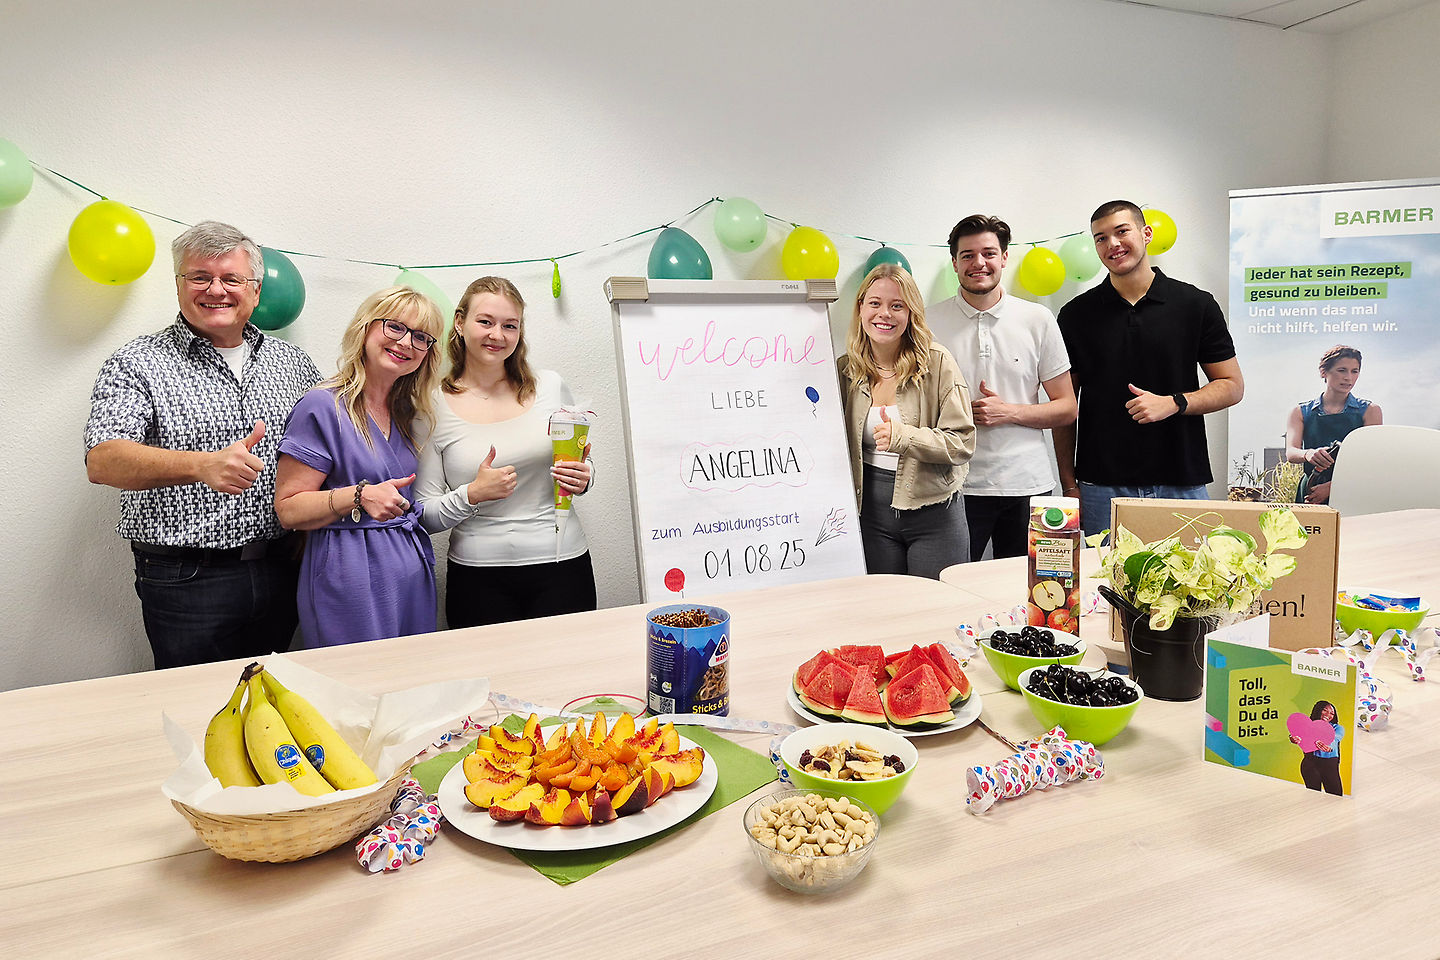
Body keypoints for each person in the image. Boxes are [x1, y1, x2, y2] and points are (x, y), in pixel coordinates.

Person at [84, 221, 320, 669]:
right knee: (196, 703)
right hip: (185, 579)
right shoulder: (137, 362)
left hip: (283, 568)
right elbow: (103, 460)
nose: (216, 290)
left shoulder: (294, 363)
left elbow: (324, 451)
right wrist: (201, 465)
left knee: (274, 698)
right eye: (199, 277)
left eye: (231, 278)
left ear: (255, 291)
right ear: (179, 285)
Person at [1052, 200, 1244, 538]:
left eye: (1121, 231)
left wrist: (1174, 402)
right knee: (1106, 574)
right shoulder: (1075, 315)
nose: (1112, 244)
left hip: (1182, 481)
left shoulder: (1195, 304)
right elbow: (1065, 407)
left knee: (1191, 573)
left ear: (1146, 234)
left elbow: (1231, 385)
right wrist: (1069, 484)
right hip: (1101, 488)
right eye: (1101, 238)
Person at [413, 276, 597, 627]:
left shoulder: (550, 387)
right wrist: (471, 494)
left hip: (562, 566)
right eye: (485, 321)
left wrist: (585, 478)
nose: (497, 335)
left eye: (509, 325)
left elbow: (581, 461)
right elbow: (423, 514)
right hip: (477, 577)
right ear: (460, 323)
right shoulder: (431, 405)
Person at [273, 286, 445, 647]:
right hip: (349, 579)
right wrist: (359, 496)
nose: (406, 342)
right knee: (353, 679)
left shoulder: (407, 413)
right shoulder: (322, 406)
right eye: (394, 327)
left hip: (410, 579)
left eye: (421, 337)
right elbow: (288, 509)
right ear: (365, 328)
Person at [927, 214, 1077, 560]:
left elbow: (1067, 407)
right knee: (954, 581)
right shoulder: (927, 322)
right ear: (954, 263)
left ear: (1004, 257)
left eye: (989, 253)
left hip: (1028, 483)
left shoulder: (1037, 319)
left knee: (1031, 586)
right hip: (955, 485)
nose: (979, 263)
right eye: (967, 255)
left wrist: (1008, 412)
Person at [839, 263, 976, 579]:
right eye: (875, 303)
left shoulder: (937, 362)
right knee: (887, 605)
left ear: (911, 312)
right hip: (870, 517)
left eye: (897, 306)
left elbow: (962, 443)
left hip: (935, 516)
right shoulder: (846, 369)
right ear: (861, 309)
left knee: (937, 605)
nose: (884, 314)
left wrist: (904, 437)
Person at [1285, 345, 1381, 505]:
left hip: (1352, 490)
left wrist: (1332, 487)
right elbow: (1291, 452)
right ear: (1323, 372)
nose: (1348, 378)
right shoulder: (1300, 412)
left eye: (1354, 371)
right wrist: (1308, 454)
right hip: (1311, 490)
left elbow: (1371, 459)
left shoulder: (1370, 411)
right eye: (1342, 370)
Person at [1291, 700, 1344, 795]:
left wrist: (1328, 747)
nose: (1328, 714)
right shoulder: (1308, 726)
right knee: (1313, 795)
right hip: (1310, 763)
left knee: (1336, 795)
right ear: (1318, 710)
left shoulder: (1337, 728)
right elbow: (1299, 733)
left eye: (1332, 713)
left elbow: (1335, 738)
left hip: (1330, 764)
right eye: (1325, 710)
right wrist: (1293, 738)